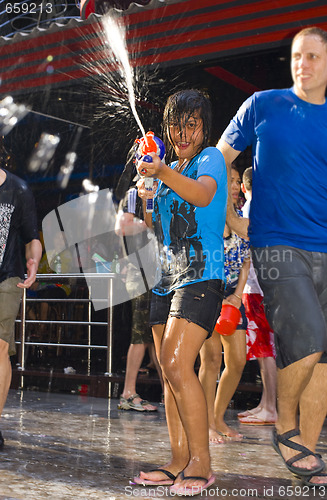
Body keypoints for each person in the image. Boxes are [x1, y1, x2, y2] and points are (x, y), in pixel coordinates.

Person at [217, 26, 327, 487]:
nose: (303, 63)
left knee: (322, 357)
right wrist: (231, 217)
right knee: (311, 334)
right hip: (276, 242)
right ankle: (284, 425)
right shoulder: (262, 104)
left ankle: (307, 443)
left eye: (314, 57)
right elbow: (218, 160)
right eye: (297, 56)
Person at [133, 89, 227, 495]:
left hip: (201, 275)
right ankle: (177, 460)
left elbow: (203, 194)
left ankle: (201, 463)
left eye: (192, 123)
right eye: (177, 124)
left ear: (205, 127)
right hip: (164, 279)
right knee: (170, 373)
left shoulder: (211, 160)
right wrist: (148, 201)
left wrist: (162, 174)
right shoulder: (170, 167)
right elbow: (162, 228)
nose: (183, 131)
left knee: (175, 363)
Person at [199, 165, 250, 443]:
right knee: (210, 360)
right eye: (229, 180)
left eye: (236, 181)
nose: (234, 185)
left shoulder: (242, 219)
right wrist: (218, 297)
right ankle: (206, 424)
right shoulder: (210, 218)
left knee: (238, 361)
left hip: (233, 296)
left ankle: (218, 418)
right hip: (209, 293)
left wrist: (238, 296)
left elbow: (246, 261)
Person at [0, 139, 42, 449]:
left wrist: (34, 261)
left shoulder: (18, 189)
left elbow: (31, 236)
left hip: (6, 278)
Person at [115, 186, 163, 412]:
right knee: (140, 336)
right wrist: (150, 223)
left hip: (159, 272)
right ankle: (128, 392)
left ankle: (169, 392)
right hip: (141, 274)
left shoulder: (162, 187)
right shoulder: (134, 192)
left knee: (156, 335)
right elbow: (121, 226)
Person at [238, 167, 277, 426]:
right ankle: (266, 402)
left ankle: (271, 406)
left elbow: (250, 253)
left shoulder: (249, 210)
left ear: (243, 187)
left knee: (266, 350)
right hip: (262, 286)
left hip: (256, 287)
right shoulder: (263, 208)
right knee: (264, 350)